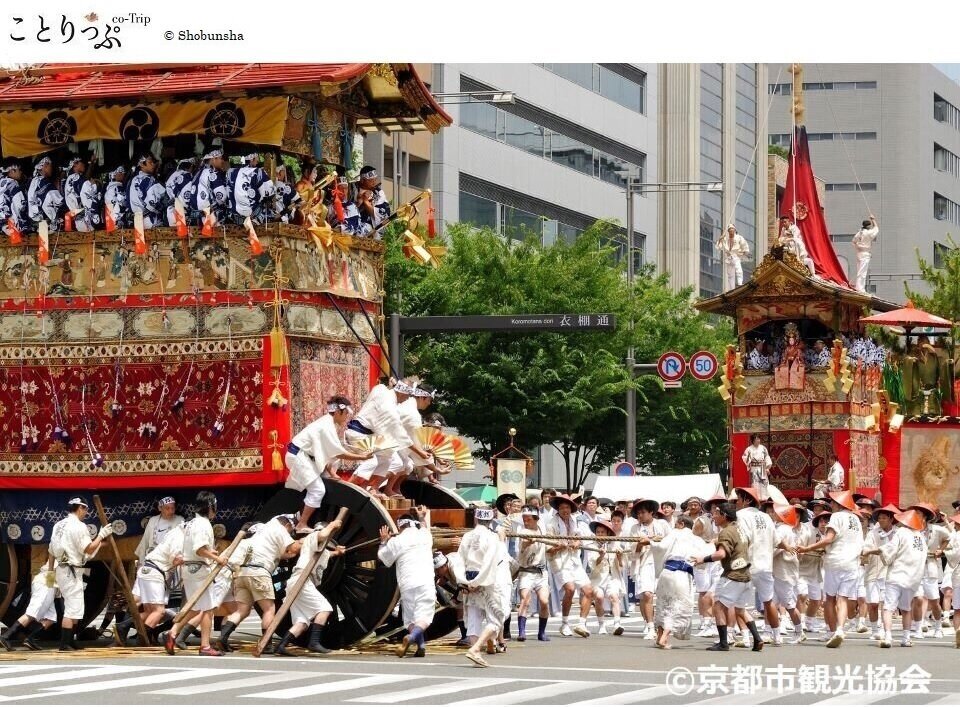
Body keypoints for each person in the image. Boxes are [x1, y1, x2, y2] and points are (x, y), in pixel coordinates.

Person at [285, 396, 373, 534]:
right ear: (338, 412)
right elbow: (338, 453)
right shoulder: (326, 426)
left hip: (306, 458)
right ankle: (301, 524)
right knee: (318, 490)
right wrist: (363, 457)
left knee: (324, 480)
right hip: (299, 457)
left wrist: (331, 473)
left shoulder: (328, 423)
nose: (346, 417)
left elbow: (326, 452)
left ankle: (305, 514)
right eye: (346, 413)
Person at [219, 514, 300, 653]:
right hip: (259, 572)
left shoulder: (261, 530)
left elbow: (277, 553)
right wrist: (309, 540)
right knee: (269, 609)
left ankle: (223, 638)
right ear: (287, 525)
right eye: (290, 531)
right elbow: (293, 548)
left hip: (242, 572)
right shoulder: (279, 528)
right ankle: (266, 643)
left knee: (242, 610)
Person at [691, 502, 764, 652]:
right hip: (745, 575)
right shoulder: (740, 529)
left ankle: (723, 642)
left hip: (732, 575)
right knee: (740, 609)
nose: (714, 516)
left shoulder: (726, 532)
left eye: (716, 513)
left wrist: (702, 559)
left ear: (724, 515)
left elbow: (721, 554)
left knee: (718, 607)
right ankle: (757, 639)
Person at [797, 490, 864, 648]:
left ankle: (832, 631)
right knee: (843, 599)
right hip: (852, 563)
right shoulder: (856, 519)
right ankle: (840, 629)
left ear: (839, 504)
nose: (831, 505)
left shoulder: (837, 517)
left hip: (835, 562)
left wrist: (807, 548)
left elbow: (828, 539)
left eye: (833, 502)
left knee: (829, 599)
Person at [165, 491, 227, 657]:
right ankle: (205, 646)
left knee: (195, 607)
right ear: (210, 507)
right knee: (208, 609)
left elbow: (197, 548)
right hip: (199, 570)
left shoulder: (192, 522)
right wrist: (218, 559)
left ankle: (172, 632)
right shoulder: (203, 524)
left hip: (190, 568)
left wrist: (210, 552)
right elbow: (199, 550)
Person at [49, 496, 115, 651]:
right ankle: (65, 643)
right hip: (71, 570)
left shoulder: (58, 525)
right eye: (86, 509)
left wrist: (50, 576)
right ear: (80, 508)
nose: (86, 513)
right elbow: (88, 549)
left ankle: (70, 641)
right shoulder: (79, 526)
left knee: (76, 607)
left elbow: (51, 549)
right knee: (72, 608)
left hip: (62, 568)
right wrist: (101, 535)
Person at [274, 518, 346, 656]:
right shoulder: (313, 537)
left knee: (302, 622)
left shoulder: (321, 550)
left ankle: (281, 646)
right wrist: (332, 525)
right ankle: (314, 642)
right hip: (302, 580)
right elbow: (322, 535)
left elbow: (328, 554)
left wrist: (337, 552)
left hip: (298, 582)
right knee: (325, 608)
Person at [117, 518, 185, 646]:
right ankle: (141, 639)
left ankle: (124, 626)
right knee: (159, 611)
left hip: (147, 570)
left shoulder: (174, 533)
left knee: (150, 611)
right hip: (154, 572)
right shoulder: (179, 537)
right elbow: (176, 560)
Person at [378, 507, 436, 658]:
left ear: (399, 527)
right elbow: (424, 526)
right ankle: (411, 638)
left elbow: (383, 558)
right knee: (424, 616)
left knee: (410, 618)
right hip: (425, 582)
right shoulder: (424, 535)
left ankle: (420, 646)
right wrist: (422, 517)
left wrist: (384, 541)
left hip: (407, 583)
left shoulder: (396, 541)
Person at [460, 507, 511, 668]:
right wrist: (478, 581)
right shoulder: (492, 537)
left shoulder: (467, 536)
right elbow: (490, 563)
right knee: (497, 617)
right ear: (491, 521)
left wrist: (464, 582)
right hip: (485, 580)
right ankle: (476, 648)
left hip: (469, 578)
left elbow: (459, 560)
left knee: (473, 619)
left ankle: (476, 652)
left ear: (476, 519)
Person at [651, 515, 710, 649]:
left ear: (681, 524)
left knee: (662, 604)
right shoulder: (697, 540)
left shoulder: (674, 534)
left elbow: (661, 547)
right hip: (682, 575)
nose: (675, 526)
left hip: (666, 572)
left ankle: (659, 637)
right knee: (677, 607)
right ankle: (664, 637)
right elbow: (705, 558)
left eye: (676, 524)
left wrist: (650, 542)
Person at [874, 509, 926, 648]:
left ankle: (888, 637)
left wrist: (877, 552)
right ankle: (906, 638)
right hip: (913, 579)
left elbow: (890, 550)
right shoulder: (921, 537)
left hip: (897, 575)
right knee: (906, 609)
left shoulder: (901, 532)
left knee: (888, 607)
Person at [735, 489, 780, 645]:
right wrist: (788, 547)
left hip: (747, 564)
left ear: (747, 500)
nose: (736, 502)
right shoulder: (766, 517)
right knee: (768, 601)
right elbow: (776, 541)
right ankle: (777, 636)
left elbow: (743, 539)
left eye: (738, 499)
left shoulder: (740, 515)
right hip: (766, 564)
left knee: (738, 603)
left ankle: (746, 637)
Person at [546, 494, 594, 638]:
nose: (565, 510)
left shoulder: (574, 521)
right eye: (562, 508)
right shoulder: (551, 524)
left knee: (588, 591)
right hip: (559, 561)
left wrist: (576, 543)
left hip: (574, 560)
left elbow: (580, 538)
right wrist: (558, 546)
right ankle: (565, 623)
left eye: (567, 507)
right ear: (558, 509)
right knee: (570, 589)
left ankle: (581, 623)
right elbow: (547, 548)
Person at [630, 498, 671, 640]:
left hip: (661, 561)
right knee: (646, 594)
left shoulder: (662, 524)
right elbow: (632, 551)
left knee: (663, 595)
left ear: (651, 512)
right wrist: (640, 544)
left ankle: (662, 625)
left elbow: (670, 541)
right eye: (638, 513)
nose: (640, 515)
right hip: (644, 562)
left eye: (643, 512)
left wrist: (652, 540)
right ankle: (650, 626)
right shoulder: (635, 528)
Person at [0, 565, 59, 651]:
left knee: (51, 618)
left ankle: (30, 639)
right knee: (31, 613)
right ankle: (6, 636)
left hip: (50, 583)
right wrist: (50, 582)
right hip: (47, 582)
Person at [515, 506, 551, 642]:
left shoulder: (542, 528)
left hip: (541, 572)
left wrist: (560, 544)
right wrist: (526, 544)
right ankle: (521, 632)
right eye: (524, 519)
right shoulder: (522, 531)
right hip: (526, 572)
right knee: (525, 600)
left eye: (529, 519)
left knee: (544, 601)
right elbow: (522, 546)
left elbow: (548, 544)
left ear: (536, 519)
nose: (526, 522)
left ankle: (542, 632)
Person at [771, 504, 806, 643]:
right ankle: (774, 633)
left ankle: (799, 631)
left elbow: (775, 547)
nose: (773, 514)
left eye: (776, 513)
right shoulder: (787, 529)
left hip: (783, 571)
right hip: (783, 570)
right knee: (772, 602)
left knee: (789, 604)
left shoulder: (782, 529)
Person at [586, 519, 626, 636]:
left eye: (603, 532)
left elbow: (622, 566)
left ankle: (617, 624)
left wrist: (619, 557)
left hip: (612, 577)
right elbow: (592, 567)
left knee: (614, 596)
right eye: (598, 532)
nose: (600, 534)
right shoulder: (591, 546)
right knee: (599, 597)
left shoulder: (615, 545)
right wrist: (600, 556)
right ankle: (601, 624)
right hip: (597, 578)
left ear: (608, 533)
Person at [135, 496, 185, 565]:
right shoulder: (153, 520)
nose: (171, 511)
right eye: (167, 508)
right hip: (152, 557)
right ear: (160, 508)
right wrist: (141, 562)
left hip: (170, 559)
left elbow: (182, 543)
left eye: (172, 508)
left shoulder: (180, 520)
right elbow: (145, 541)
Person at [232, 153, 275, 224]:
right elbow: (270, 192)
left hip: (235, 218)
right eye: (257, 158)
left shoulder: (231, 172)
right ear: (252, 159)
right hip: (253, 216)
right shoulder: (258, 172)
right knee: (270, 211)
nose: (258, 161)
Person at [27, 156, 64, 231]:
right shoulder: (45, 183)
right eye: (50, 166)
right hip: (46, 226)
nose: (52, 168)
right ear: (45, 165)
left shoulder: (34, 181)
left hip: (36, 224)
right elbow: (59, 202)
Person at [128, 154, 165, 229]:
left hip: (138, 221)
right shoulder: (148, 179)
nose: (153, 164)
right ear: (142, 164)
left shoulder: (132, 180)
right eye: (150, 162)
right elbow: (154, 201)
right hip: (152, 220)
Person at [355, 165, 391, 234]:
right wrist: (359, 202)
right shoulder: (352, 189)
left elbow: (378, 213)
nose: (374, 182)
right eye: (371, 180)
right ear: (362, 180)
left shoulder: (378, 192)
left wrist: (365, 201)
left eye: (375, 179)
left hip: (370, 225)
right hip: (355, 222)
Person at [716, 224, 750, 290]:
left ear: (734, 231)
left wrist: (745, 252)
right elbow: (718, 247)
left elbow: (744, 245)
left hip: (735, 256)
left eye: (732, 231)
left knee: (738, 269)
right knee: (730, 275)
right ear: (728, 232)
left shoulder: (739, 238)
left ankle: (740, 283)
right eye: (730, 231)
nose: (731, 232)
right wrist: (720, 239)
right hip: (728, 258)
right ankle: (731, 289)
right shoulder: (725, 239)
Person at [0, 162, 28, 238]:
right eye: (19, 170)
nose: (21, 172)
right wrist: (23, 227)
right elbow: (19, 206)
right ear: (12, 171)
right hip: (13, 227)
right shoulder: (13, 183)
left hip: (2, 227)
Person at [851, 214, 878, 293]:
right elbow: (876, 229)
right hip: (865, 253)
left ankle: (859, 287)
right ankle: (860, 288)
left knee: (860, 270)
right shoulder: (868, 233)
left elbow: (853, 241)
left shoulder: (859, 233)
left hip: (859, 253)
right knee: (862, 272)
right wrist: (873, 219)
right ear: (868, 226)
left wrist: (858, 248)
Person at [741, 435, 772, 500]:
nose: (758, 441)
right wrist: (750, 460)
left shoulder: (763, 448)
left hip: (762, 467)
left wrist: (767, 468)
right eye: (756, 439)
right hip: (754, 468)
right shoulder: (749, 449)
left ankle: (765, 499)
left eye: (758, 439)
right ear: (753, 440)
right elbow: (744, 457)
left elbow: (767, 457)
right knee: (756, 484)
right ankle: (756, 499)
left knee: (764, 484)